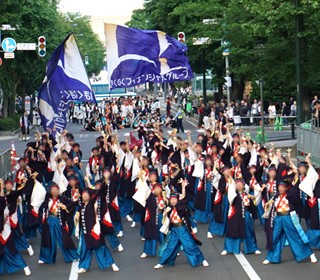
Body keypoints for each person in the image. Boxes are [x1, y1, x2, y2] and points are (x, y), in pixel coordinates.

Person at [154, 183, 209, 269]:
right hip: (174, 230)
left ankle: (202, 260)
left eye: (174, 199)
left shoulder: (181, 206)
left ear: (177, 200)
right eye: (171, 199)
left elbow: (183, 197)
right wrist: (165, 211)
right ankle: (162, 262)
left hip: (182, 229)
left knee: (190, 245)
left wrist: (183, 187)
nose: (173, 201)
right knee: (170, 247)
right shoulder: (169, 208)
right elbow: (162, 208)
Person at [263, 180, 317, 264]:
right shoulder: (276, 196)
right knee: (274, 237)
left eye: (282, 187)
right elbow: (271, 205)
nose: (280, 189)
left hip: (288, 217)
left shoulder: (290, 196)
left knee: (296, 236)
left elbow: (295, 191)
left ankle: (310, 254)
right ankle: (271, 257)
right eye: (279, 187)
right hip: (278, 218)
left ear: (286, 188)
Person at [75, 190, 119, 274]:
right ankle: (83, 266)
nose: (84, 196)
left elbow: (97, 193)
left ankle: (112, 263)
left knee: (101, 248)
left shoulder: (92, 204)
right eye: (83, 195)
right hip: (85, 233)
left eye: (86, 194)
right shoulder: (81, 207)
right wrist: (77, 217)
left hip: (95, 232)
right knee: (85, 250)